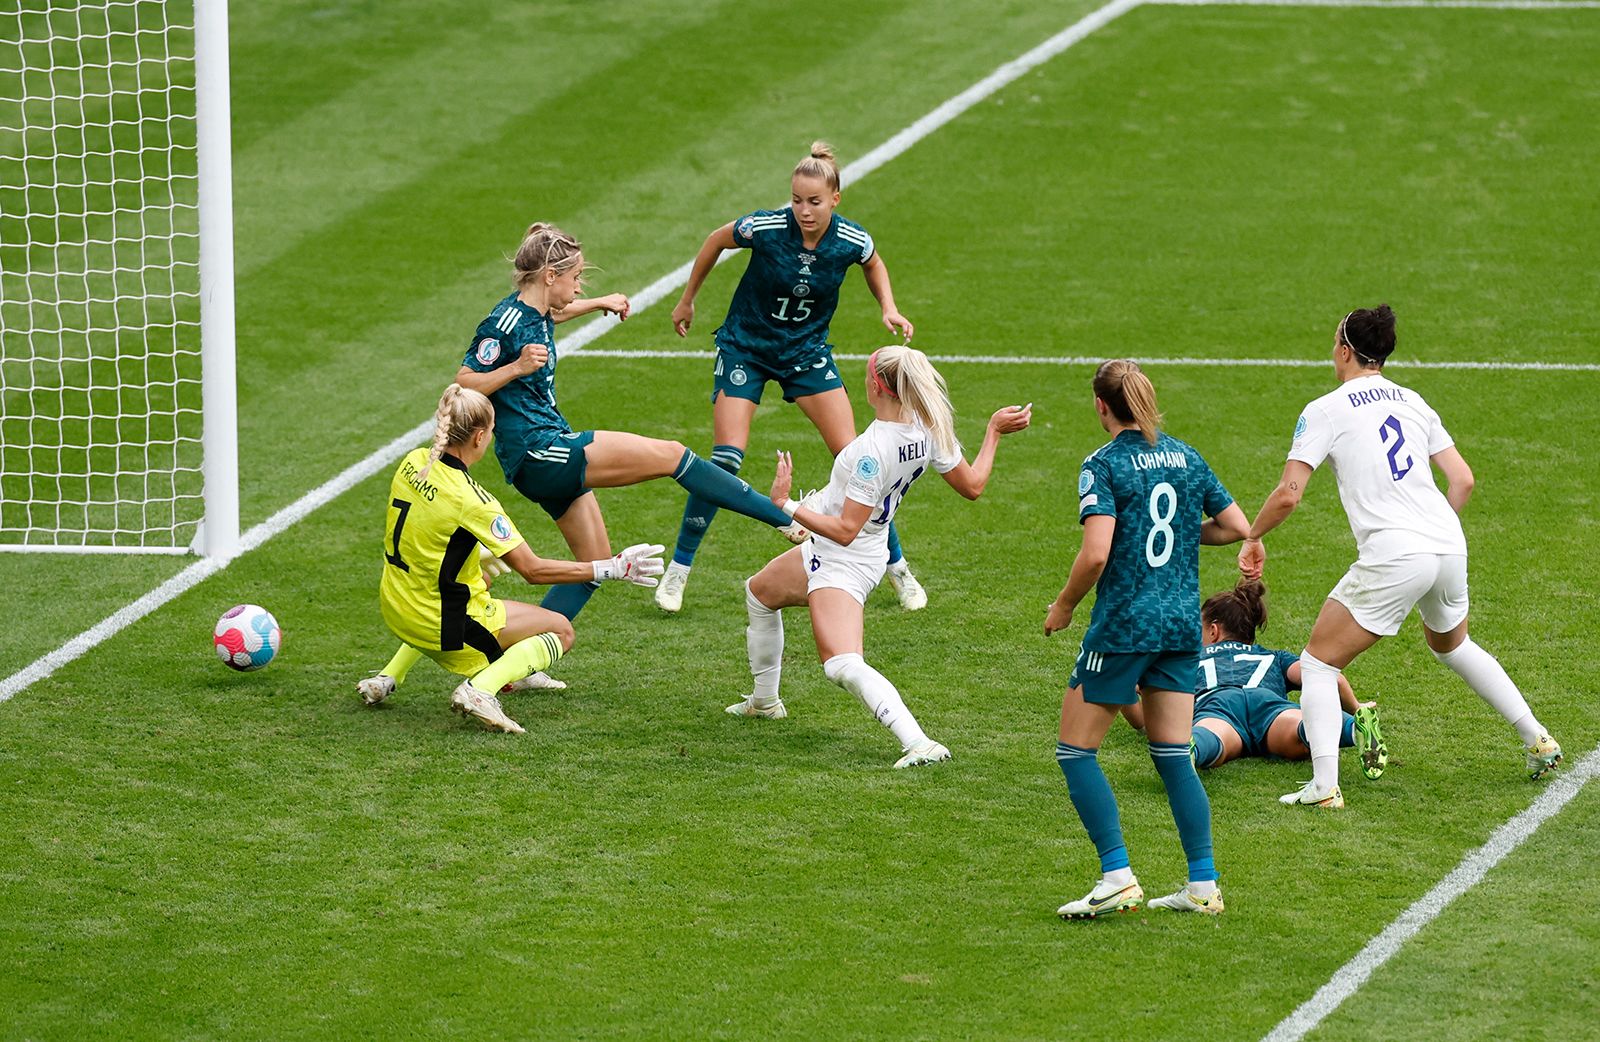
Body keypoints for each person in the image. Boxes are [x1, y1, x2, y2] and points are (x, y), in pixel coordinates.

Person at [1239, 305, 1562, 810]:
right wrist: (1434, 532)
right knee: (1453, 647)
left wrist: (1253, 536)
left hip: (1397, 551)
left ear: (1345, 349)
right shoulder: (1414, 401)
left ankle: (1324, 786)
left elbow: (1288, 494)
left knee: (1319, 663)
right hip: (1448, 543)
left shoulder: (1326, 408)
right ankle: (1538, 738)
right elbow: (1464, 479)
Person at [453, 222, 800, 636]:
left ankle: (512, 662)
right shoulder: (504, 323)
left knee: (594, 563)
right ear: (550, 276)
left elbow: (556, 312)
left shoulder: (536, 309)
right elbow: (463, 382)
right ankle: (778, 516)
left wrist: (601, 301)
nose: (579, 287)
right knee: (673, 455)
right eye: (577, 278)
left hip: (539, 454)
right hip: (541, 450)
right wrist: (517, 367)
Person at [725, 345, 1030, 766]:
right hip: (853, 546)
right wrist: (993, 431)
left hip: (844, 558)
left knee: (841, 664)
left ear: (875, 386)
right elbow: (973, 485)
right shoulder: (928, 428)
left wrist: (787, 506)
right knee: (760, 593)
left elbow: (846, 531)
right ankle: (764, 702)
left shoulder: (870, 451)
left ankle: (919, 742)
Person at [659, 141, 927, 614]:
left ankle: (898, 570)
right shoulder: (765, 227)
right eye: (797, 200)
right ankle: (678, 572)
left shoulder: (851, 240)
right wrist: (688, 299)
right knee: (725, 460)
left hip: (805, 354)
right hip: (746, 347)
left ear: (835, 199)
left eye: (815, 201)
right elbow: (715, 240)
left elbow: (874, 261)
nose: (804, 210)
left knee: (859, 459)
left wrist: (888, 306)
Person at [1046, 360, 1250, 919]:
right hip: (1181, 626)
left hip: (1125, 626)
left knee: (1075, 751)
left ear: (1101, 406)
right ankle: (1202, 886)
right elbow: (1235, 525)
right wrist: (1187, 532)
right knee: (1172, 756)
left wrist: (1063, 606)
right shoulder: (1187, 455)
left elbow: (1095, 553)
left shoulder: (1103, 465)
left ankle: (1116, 876)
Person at [357, 385, 665, 733]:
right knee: (561, 631)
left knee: (480, 578)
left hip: (396, 607)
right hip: (439, 626)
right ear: (478, 437)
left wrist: (476, 557)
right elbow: (532, 570)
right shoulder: (474, 501)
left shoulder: (412, 463)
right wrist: (610, 567)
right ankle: (480, 691)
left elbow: (428, 534)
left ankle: (389, 676)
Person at [1190, 581, 1387, 778]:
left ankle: (1194, 748)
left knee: (1213, 733)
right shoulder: (1274, 657)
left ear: (1213, 631)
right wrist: (1355, 707)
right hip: (1267, 704)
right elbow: (1329, 678)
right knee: (1303, 726)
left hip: (1217, 705)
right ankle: (1354, 728)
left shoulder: (1193, 658)